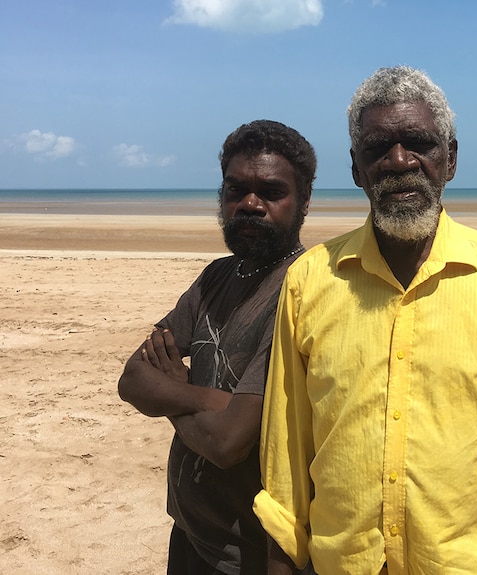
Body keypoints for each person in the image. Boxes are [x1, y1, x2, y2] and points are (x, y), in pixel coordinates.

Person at [253, 66, 477, 575]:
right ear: (356, 168)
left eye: (419, 143)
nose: (400, 161)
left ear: (451, 160)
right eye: (378, 148)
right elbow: (285, 457)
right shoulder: (309, 280)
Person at [118, 120, 317, 575]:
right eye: (235, 190)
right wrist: (203, 397)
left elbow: (229, 442)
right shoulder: (216, 276)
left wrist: (170, 390)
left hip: (248, 551)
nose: (250, 204)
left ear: (304, 200)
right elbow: (132, 378)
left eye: (271, 191)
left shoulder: (303, 289)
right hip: (188, 530)